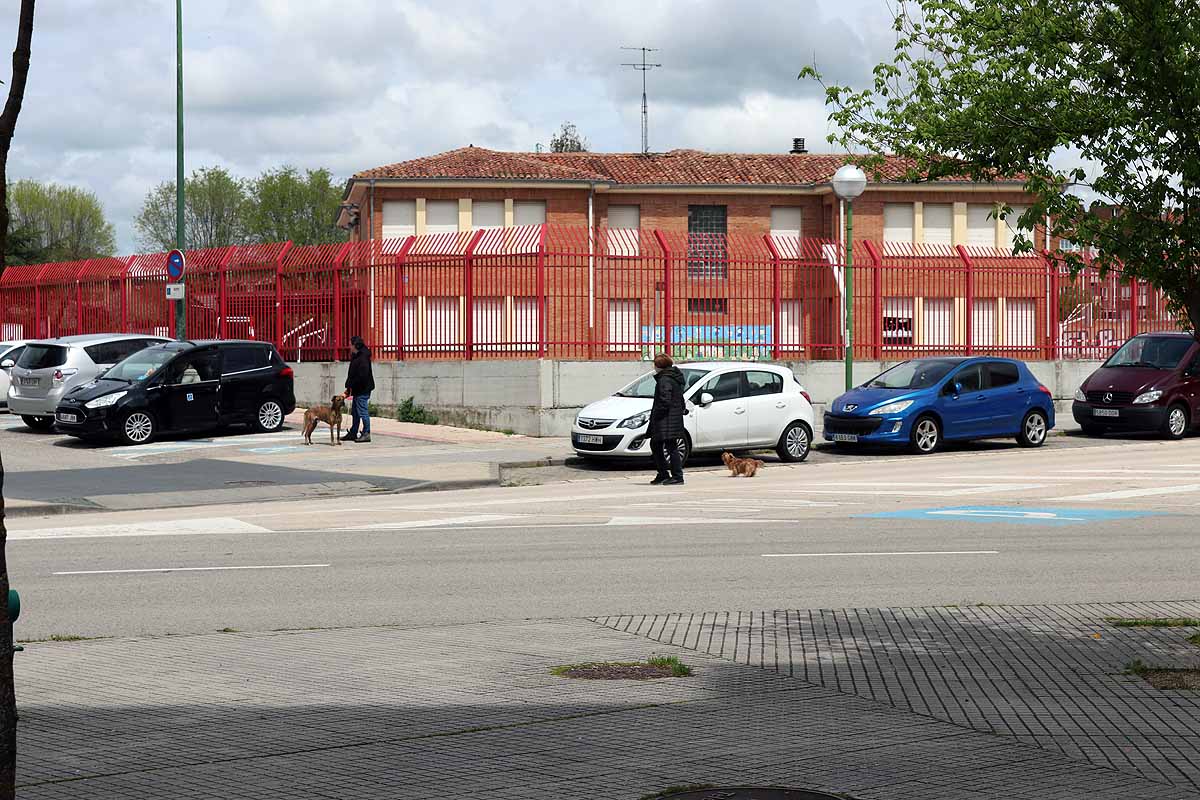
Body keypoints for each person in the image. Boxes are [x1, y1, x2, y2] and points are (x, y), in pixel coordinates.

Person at [648, 353, 687, 486]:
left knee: (668, 446)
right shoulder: (674, 377)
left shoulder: (664, 379)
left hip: (666, 419)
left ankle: (676, 476)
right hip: (673, 418)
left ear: (659, 366)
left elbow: (665, 400)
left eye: (655, 364)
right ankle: (663, 474)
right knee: (659, 445)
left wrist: (657, 415)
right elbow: (680, 398)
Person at [343, 336, 375, 443]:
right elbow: (352, 374)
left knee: (362, 411)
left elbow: (362, 376)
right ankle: (353, 432)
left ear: (355, 345)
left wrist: (352, 386)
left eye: (350, 344)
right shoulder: (355, 356)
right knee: (355, 412)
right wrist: (349, 387)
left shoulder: (363, 358)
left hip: (363, 389)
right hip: (357, 388)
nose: (349, 346)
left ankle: (366, 433)